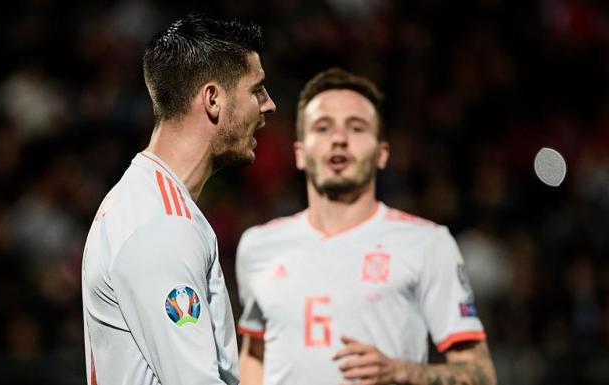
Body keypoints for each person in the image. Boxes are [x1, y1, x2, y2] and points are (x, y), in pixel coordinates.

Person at [236, 68, 496, 385]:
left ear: (381, 154)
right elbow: (253, 355)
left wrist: (403, 371)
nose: (339, 139)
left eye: (356, 128)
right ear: (300, 154)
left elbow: (481, 374)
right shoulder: (258, 246)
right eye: (322, 127)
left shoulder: (428, 244)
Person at [81, 13, 276, 385]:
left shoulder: (143, 199)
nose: (268, 105)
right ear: (213, 99)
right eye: (257, 90)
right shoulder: (162, 225)